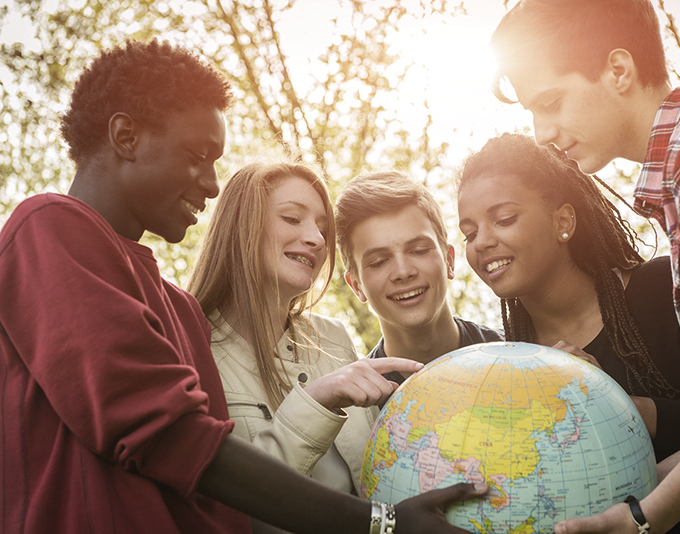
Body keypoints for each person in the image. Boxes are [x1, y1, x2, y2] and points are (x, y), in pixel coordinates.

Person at [0, 38, 487, 534]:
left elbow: (212, 501)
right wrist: (382, 526)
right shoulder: (49, 228)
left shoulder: (179, 309)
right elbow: (175, 439)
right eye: (198, 155)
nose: (212, 184)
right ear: (127, 137)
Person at [488, 1, 680, 533]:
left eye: (551, 102)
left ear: (618, 70)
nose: (541, 132)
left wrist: (641, 518)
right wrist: (625, 496)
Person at [456, 132, 680, 533]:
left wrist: (608, 401)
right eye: (470, 232)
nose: (483, 242)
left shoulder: (666, 290)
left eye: (504, 219)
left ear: (563, 221)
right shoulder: (508, 363)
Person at [187, 161, 423, 531]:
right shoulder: (189, 348)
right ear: (241, 226)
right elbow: (219, 508)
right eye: (293, 219)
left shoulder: (333, 337)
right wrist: (316, 401)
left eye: (322, 228)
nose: (316, 238)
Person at [334, 170, 503, 394]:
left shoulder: (521, 359)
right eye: (378, 262)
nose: (403, 272)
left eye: (419, 250)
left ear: (449, 260)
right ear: (356, 286)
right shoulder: (354, 410)